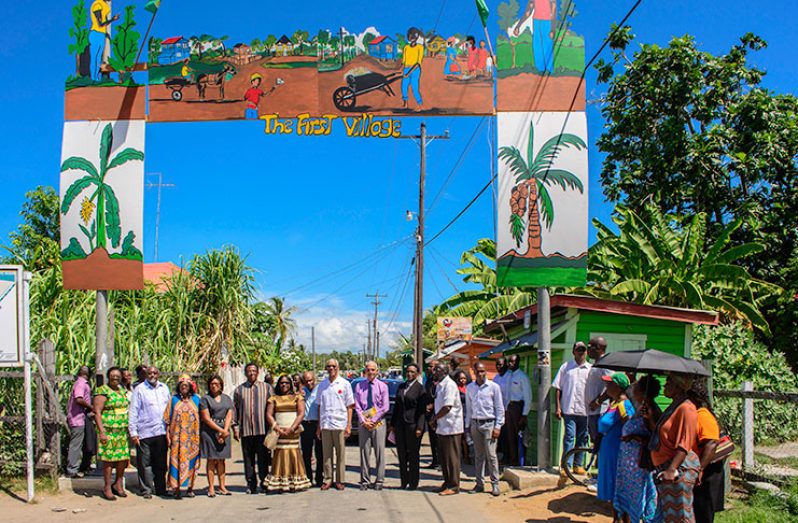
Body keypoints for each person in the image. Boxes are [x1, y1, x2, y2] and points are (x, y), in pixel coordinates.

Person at [646, 373, 701, 523]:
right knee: (666, 516)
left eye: (669, 382)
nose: (665, 385)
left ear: (678, 385)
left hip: (678, 469)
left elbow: (685, 442)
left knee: (680, 516)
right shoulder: (674, 406)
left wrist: (671, 469)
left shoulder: (686, 408)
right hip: (665, 466)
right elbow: (663, 436)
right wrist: (650, 417)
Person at [615, 376, 660, 523]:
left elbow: (654, 436)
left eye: (636, 389)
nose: (633, 391)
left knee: (638, 497)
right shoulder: (641, 407)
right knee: (628, 497)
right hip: (630, 463)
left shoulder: (650, 410)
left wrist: (634, 437)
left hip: (639, 464)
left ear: (642, 391)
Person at [552, 341, 592, 485]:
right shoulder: (566, 367)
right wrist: (558, 407)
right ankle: (566, 465)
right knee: (569, 436)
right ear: (573, 351)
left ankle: (578, 464)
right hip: (568, 408)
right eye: (578, 349)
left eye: (583, 349)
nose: (581, 352)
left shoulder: (590, 369)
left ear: (586, 352)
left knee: (582, 438)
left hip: (585, 410)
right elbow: (558, 388)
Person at [128, 365, 171, 499]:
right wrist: (133, 432)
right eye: (150, 373)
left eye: (155, 373)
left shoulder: (164, 388)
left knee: (161, 463)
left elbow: (169, 408)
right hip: (144, 432)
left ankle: (161, 489)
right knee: (145, 463)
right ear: (146, 375)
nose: (152, 375)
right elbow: (133, 410)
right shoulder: (139, 389)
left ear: (158, 374)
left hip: (161, 431)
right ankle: (146, 489)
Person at [264, 376, 311, 492]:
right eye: (281, 383)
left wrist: (292, 428)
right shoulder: (273, 398)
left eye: (286, 383)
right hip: (279, 433)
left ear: (290, 384)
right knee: (280, 454)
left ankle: (294, 482)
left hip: (293, 432)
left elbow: (301, 413)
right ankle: (280, 483)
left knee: (293, 453)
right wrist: (277, 428)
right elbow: (269, 414)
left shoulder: (297, 397)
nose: (284, 385)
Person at [597, 373, 635, 519]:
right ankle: (616, 518)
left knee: (617, 487)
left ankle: (622, 518)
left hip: (617, 452)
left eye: (610, 384)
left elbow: (629, 426)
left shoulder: (624, 405)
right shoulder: (613, 403)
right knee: (612, 488)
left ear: (618, 387)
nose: (606, 387)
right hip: (608, 450)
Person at [465, 362, 505, 497]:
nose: (481, 374)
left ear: (486, 372)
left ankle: (495, 484)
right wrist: (468, 426)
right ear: (474, 373)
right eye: (478, 372)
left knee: (491, 456)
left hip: (489, 424)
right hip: (475, 424)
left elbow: (500, 408)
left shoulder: (494, 387)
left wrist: (498, 426)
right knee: (478, 456)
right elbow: (469, 409)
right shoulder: (470, 388)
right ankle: (479, 483)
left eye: (483, 371)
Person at [233, 363, 274, 494]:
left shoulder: (267, 388)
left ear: (258, 372)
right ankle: (251, 484)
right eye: (249, 371)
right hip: (246, 430)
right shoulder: (239, 390)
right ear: (245, 373)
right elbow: (235, 409)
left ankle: (264, 483)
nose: (252, 373)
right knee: (248, 459)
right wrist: (235, 427)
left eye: (254, 371)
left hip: (262, 430)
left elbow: (273, 408)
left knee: (263, 458)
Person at [316, 358, 355, 490]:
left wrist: (349, 425)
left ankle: (340, 480)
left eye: (333, 366)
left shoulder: (344, 384)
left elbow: (350, 406)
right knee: (326, 454)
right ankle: (327, 479)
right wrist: (318, 427)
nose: (331, 368)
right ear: (326, 368)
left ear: (338, 367)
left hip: (340, 424)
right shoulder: (322, 385)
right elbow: (319, 406)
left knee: (340, 454)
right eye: (328, 366)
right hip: (326, 424)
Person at [93, 366, 130, 501]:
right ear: (109, 377)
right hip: (108, 430)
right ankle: (107, 487)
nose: (115, 378)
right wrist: (102, 431)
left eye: (118, 376)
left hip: (121, 431)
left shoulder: (122, 390)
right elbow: (97, 412)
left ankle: (118, 483)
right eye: (113, 376)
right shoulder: (102, 391)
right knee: (109, 460)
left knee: (122, 459)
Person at [690, 378, 724, 523]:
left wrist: (699, 469)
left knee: (703, 511)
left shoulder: (703, 415)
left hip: (709, 471)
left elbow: (711, 443)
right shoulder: (696, 413)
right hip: (703, 469)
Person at [390, 363, 428, 490]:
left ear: (417, 374)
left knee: (413, 454)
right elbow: (397, 407)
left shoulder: (420, 388)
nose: (410, 374)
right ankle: (403, 481)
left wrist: (420, 427)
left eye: (413, 372)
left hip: (413, 425)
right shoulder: (401, 386)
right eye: (408, 371)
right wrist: (392, 425)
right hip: (400, 425)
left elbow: (422, 410)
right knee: (401, 453)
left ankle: (413, 482)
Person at [354, 361, 389, 490]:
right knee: (364, 452)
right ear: (365, 371)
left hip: (378, 422)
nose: (370, 372)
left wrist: (373, 420)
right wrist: (364, 421)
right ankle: (365, 480)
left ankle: (379, 480)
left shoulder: (383, 386)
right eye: (368, 370)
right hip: (364, 423)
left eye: (373, 370)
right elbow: (357, 406)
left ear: (377, 371)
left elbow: (385, 407)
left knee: (379, 452)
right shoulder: (359, 386)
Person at [431, 363, 464, 496]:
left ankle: (454, 485)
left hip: (451, 426)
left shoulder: (449, 385)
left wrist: (434, 419)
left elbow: (447, 407)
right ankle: (447, 482)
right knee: (444, 457)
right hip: (442, 426)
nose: (434, 372)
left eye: (437, 370)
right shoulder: (440, 385)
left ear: (444, 371)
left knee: (452, 458)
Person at [199, 374, 234, 497]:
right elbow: (206, 419)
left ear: (221, 385)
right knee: (211, 460)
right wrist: (221, 430)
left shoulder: (227, 399)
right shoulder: (205, 399)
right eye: (212, 384)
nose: (214, 386)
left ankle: (222, 486)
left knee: (221, 460)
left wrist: (225, 431)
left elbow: (229, 415)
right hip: (209, 432)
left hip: (224, 431)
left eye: (217, 384)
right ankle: (211, 488)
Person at [585, 337, 612, 453]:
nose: (588, 350)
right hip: (592, 411)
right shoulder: (596, 364)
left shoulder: (605, 364)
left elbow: (612, 384)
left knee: (599, 441)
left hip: (600, 411)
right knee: (595, 441)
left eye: (590, 347)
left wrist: (598, 401)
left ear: (599, 348)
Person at [514, 0, 556, 74]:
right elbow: (528, 12)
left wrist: (552, 29)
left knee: (547, 44)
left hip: (547, 21)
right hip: (536, 21)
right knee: (537, 45)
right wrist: (518, 26)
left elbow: (553, 9)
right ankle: (539, 69)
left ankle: (549, 69)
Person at [505, 354, 532, 466]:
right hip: (510, 407)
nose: (510, 364)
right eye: (509, 361)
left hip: (518, 408)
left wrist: (524, 414)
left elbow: (528, 397)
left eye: (512, 362)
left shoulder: (522, 377)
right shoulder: (509, 376)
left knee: (519, 436)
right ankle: (512, 461)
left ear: (517, 362)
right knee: (510, 436)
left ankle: (520, 462)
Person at [66, 366, 93, 478]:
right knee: (76, 444)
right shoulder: (81, 384)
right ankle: (72, 470)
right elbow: (79, 399)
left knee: (85, 443)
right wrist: (90, 407)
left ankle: (83, 466)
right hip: (77, 419)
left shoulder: (81, 383)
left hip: (81, 418)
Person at [300, 370, 324, 486]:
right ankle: (308, 477)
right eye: (306, 380)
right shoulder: (301, 392)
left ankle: (319, 477)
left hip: (317, 424)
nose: (308, 382)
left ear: (314, 379)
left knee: (320, 452)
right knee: (306, 453)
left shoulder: (320, 390)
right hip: (305, 424)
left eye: (310, 380)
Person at [89, 0, 118, 81]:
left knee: (98, 58)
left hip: (101, 34)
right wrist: (112, 19)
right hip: (95, 33)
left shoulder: (104, 5)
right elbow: (100, 24)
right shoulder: (97, 4)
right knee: (94, 57)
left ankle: (97, 79)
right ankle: (93, 79)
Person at [401, 27, 424, 110]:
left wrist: (408, 73)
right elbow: (403, 62)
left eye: (412, 36)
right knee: (404, 86)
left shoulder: (420, 48)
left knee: (414, 87)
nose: (411, 38)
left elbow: (418, 63)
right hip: (406, 68)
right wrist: (401, 71)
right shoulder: (406, 48)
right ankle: (405, 104)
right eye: (410, 36)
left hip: (415, 70)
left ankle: (420, 105)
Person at [492, 357, 510, 463]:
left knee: (507, 436)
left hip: (507, 410)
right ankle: (501, 455)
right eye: (497, 364)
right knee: (500, 435)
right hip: (497, 411)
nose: (499, 367)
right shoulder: (496, 378)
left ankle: (507, 457)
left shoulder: (510, 377)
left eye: (501, 364)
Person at [454, 370, 473, 465]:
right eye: (460, 378)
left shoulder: (469, 388)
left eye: (464, 378)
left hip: (468, 414)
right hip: (458, 415)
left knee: (467, 436)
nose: (462, 380)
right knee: (461, 437)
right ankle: (463, 455)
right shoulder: (455, 389)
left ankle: (467, 455)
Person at [424, 363, 441, 469]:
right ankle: (435, 460)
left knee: (438, 439)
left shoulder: (439, 381)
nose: (429, 368)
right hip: (429, 413)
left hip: (438, 413)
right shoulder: (429, 380)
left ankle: (440, 462)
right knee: (432, 438)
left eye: (431, 366)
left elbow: (440, 397)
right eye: (428, 366)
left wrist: (433, 405)